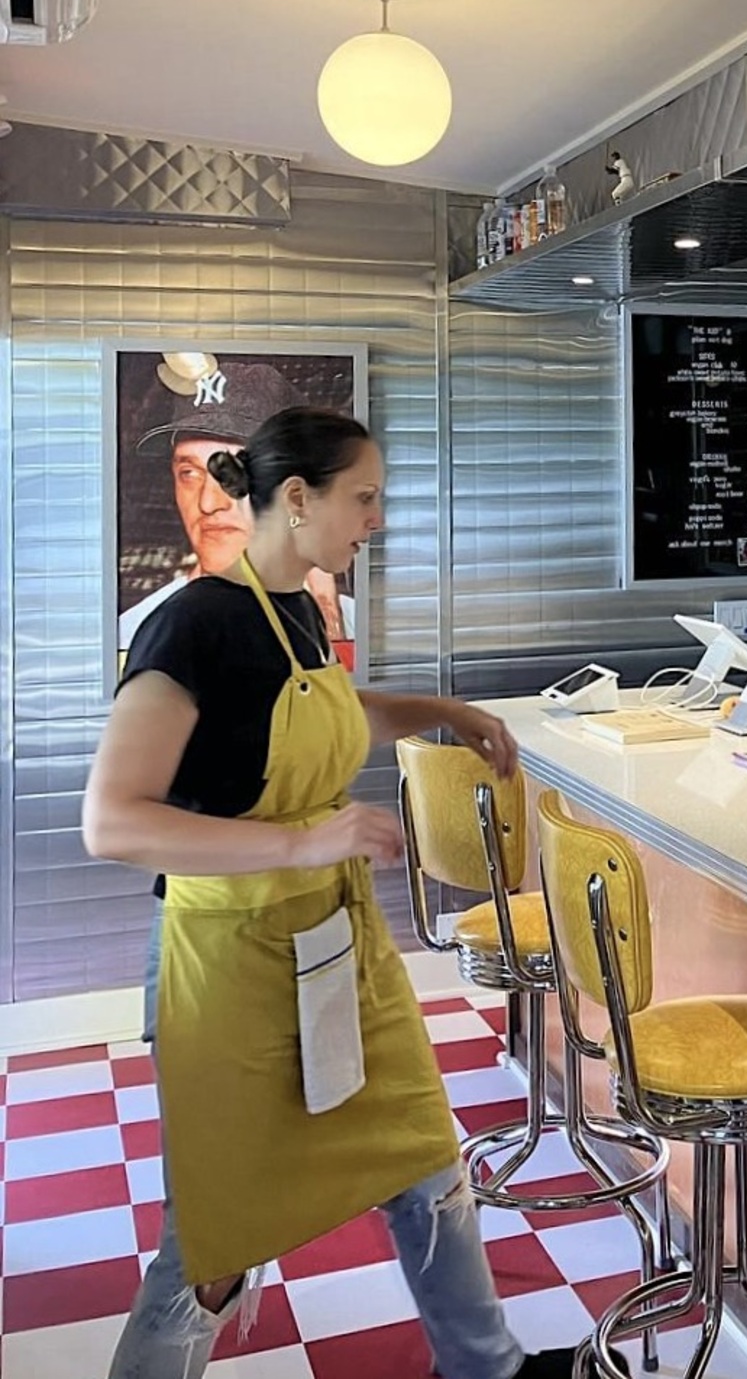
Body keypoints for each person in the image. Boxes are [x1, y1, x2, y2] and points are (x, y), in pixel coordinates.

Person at [85, 407, 574, 1379]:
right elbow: (114, 821)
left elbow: (334, 716)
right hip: (226, 967)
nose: (375, 520)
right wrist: (310, 836)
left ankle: (488, 1368)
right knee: (214, 1243)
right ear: (298, 498)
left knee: (423, 1155)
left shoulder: (299, 609)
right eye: (364, 498)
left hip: (327, 943)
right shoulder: (191, 626)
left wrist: (437, 711)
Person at [118, 357, 352, 653]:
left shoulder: (351, 625)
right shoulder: (134, 637)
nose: (207, 502)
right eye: (189, 473)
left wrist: (328, 615)